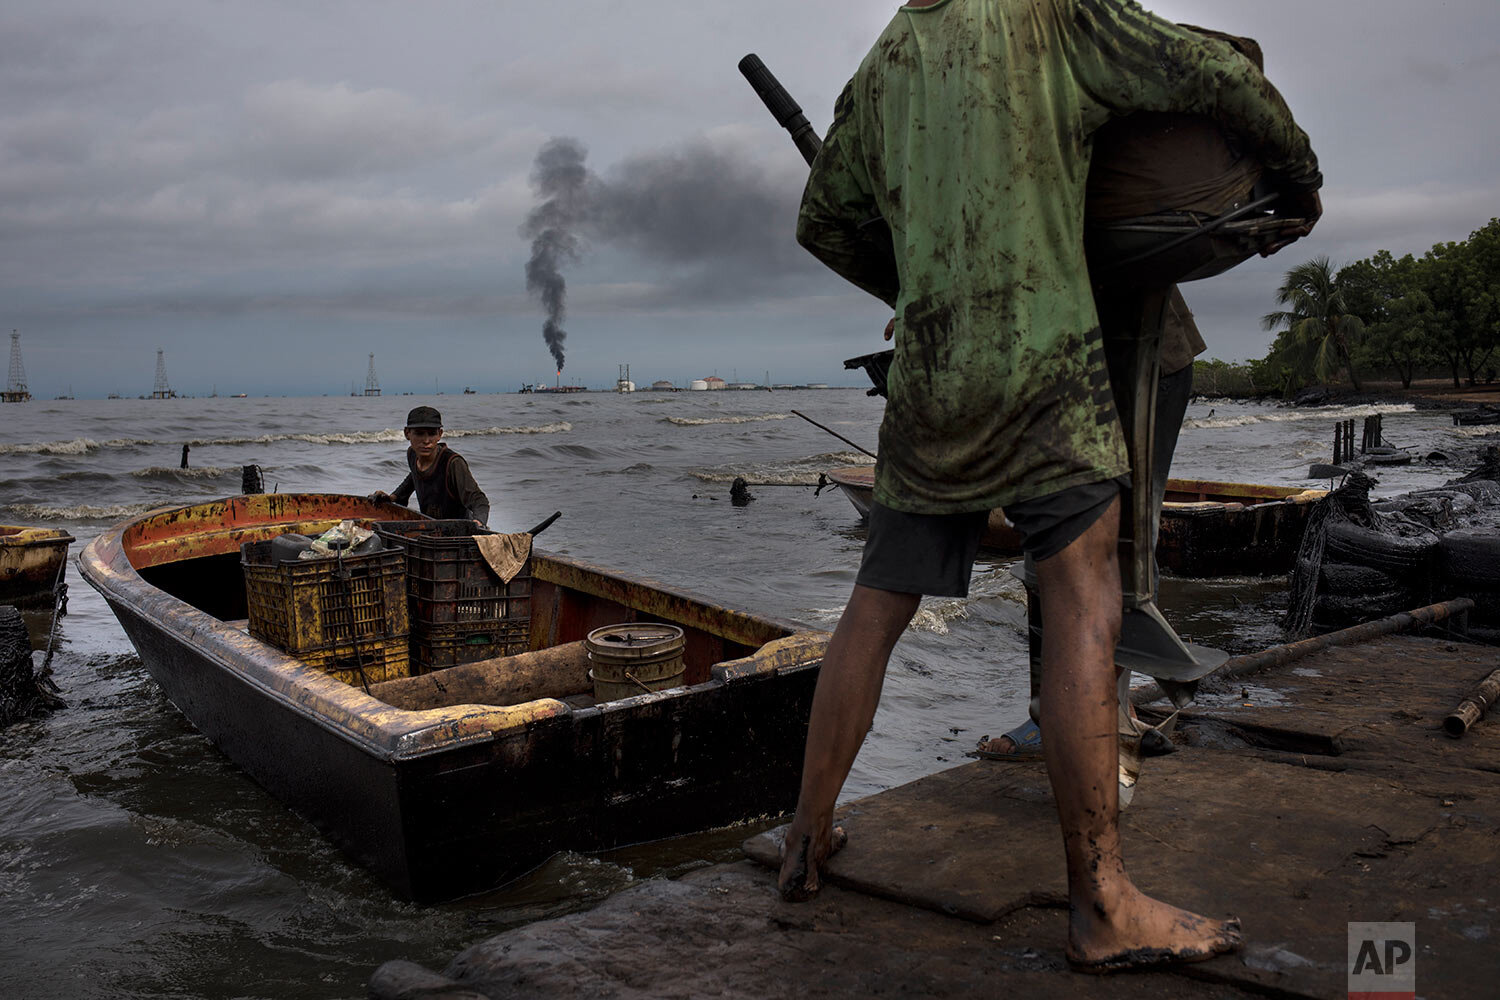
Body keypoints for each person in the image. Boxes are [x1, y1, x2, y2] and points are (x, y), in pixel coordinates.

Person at [780, 0, 1320, 974]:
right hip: (1047, 359)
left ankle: (805, 836)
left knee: (875, 606)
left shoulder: (891, 54)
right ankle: (1102, 900)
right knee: (1084, 594)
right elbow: (1217, 76)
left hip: (933, 369)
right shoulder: (1053, 14)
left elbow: (823, 220)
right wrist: (1298, 181)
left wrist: (913, 283)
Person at [370, 406, 490, 524]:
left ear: (440, 434)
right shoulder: (412, 453)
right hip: (430, 526)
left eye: (431, 434)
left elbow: (479, 500)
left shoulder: (452, 463)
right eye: (419, 434)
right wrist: (393, 497)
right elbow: (414, 476)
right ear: (407, 433)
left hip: (456, 532)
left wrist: (478, 523)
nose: (426, 441)